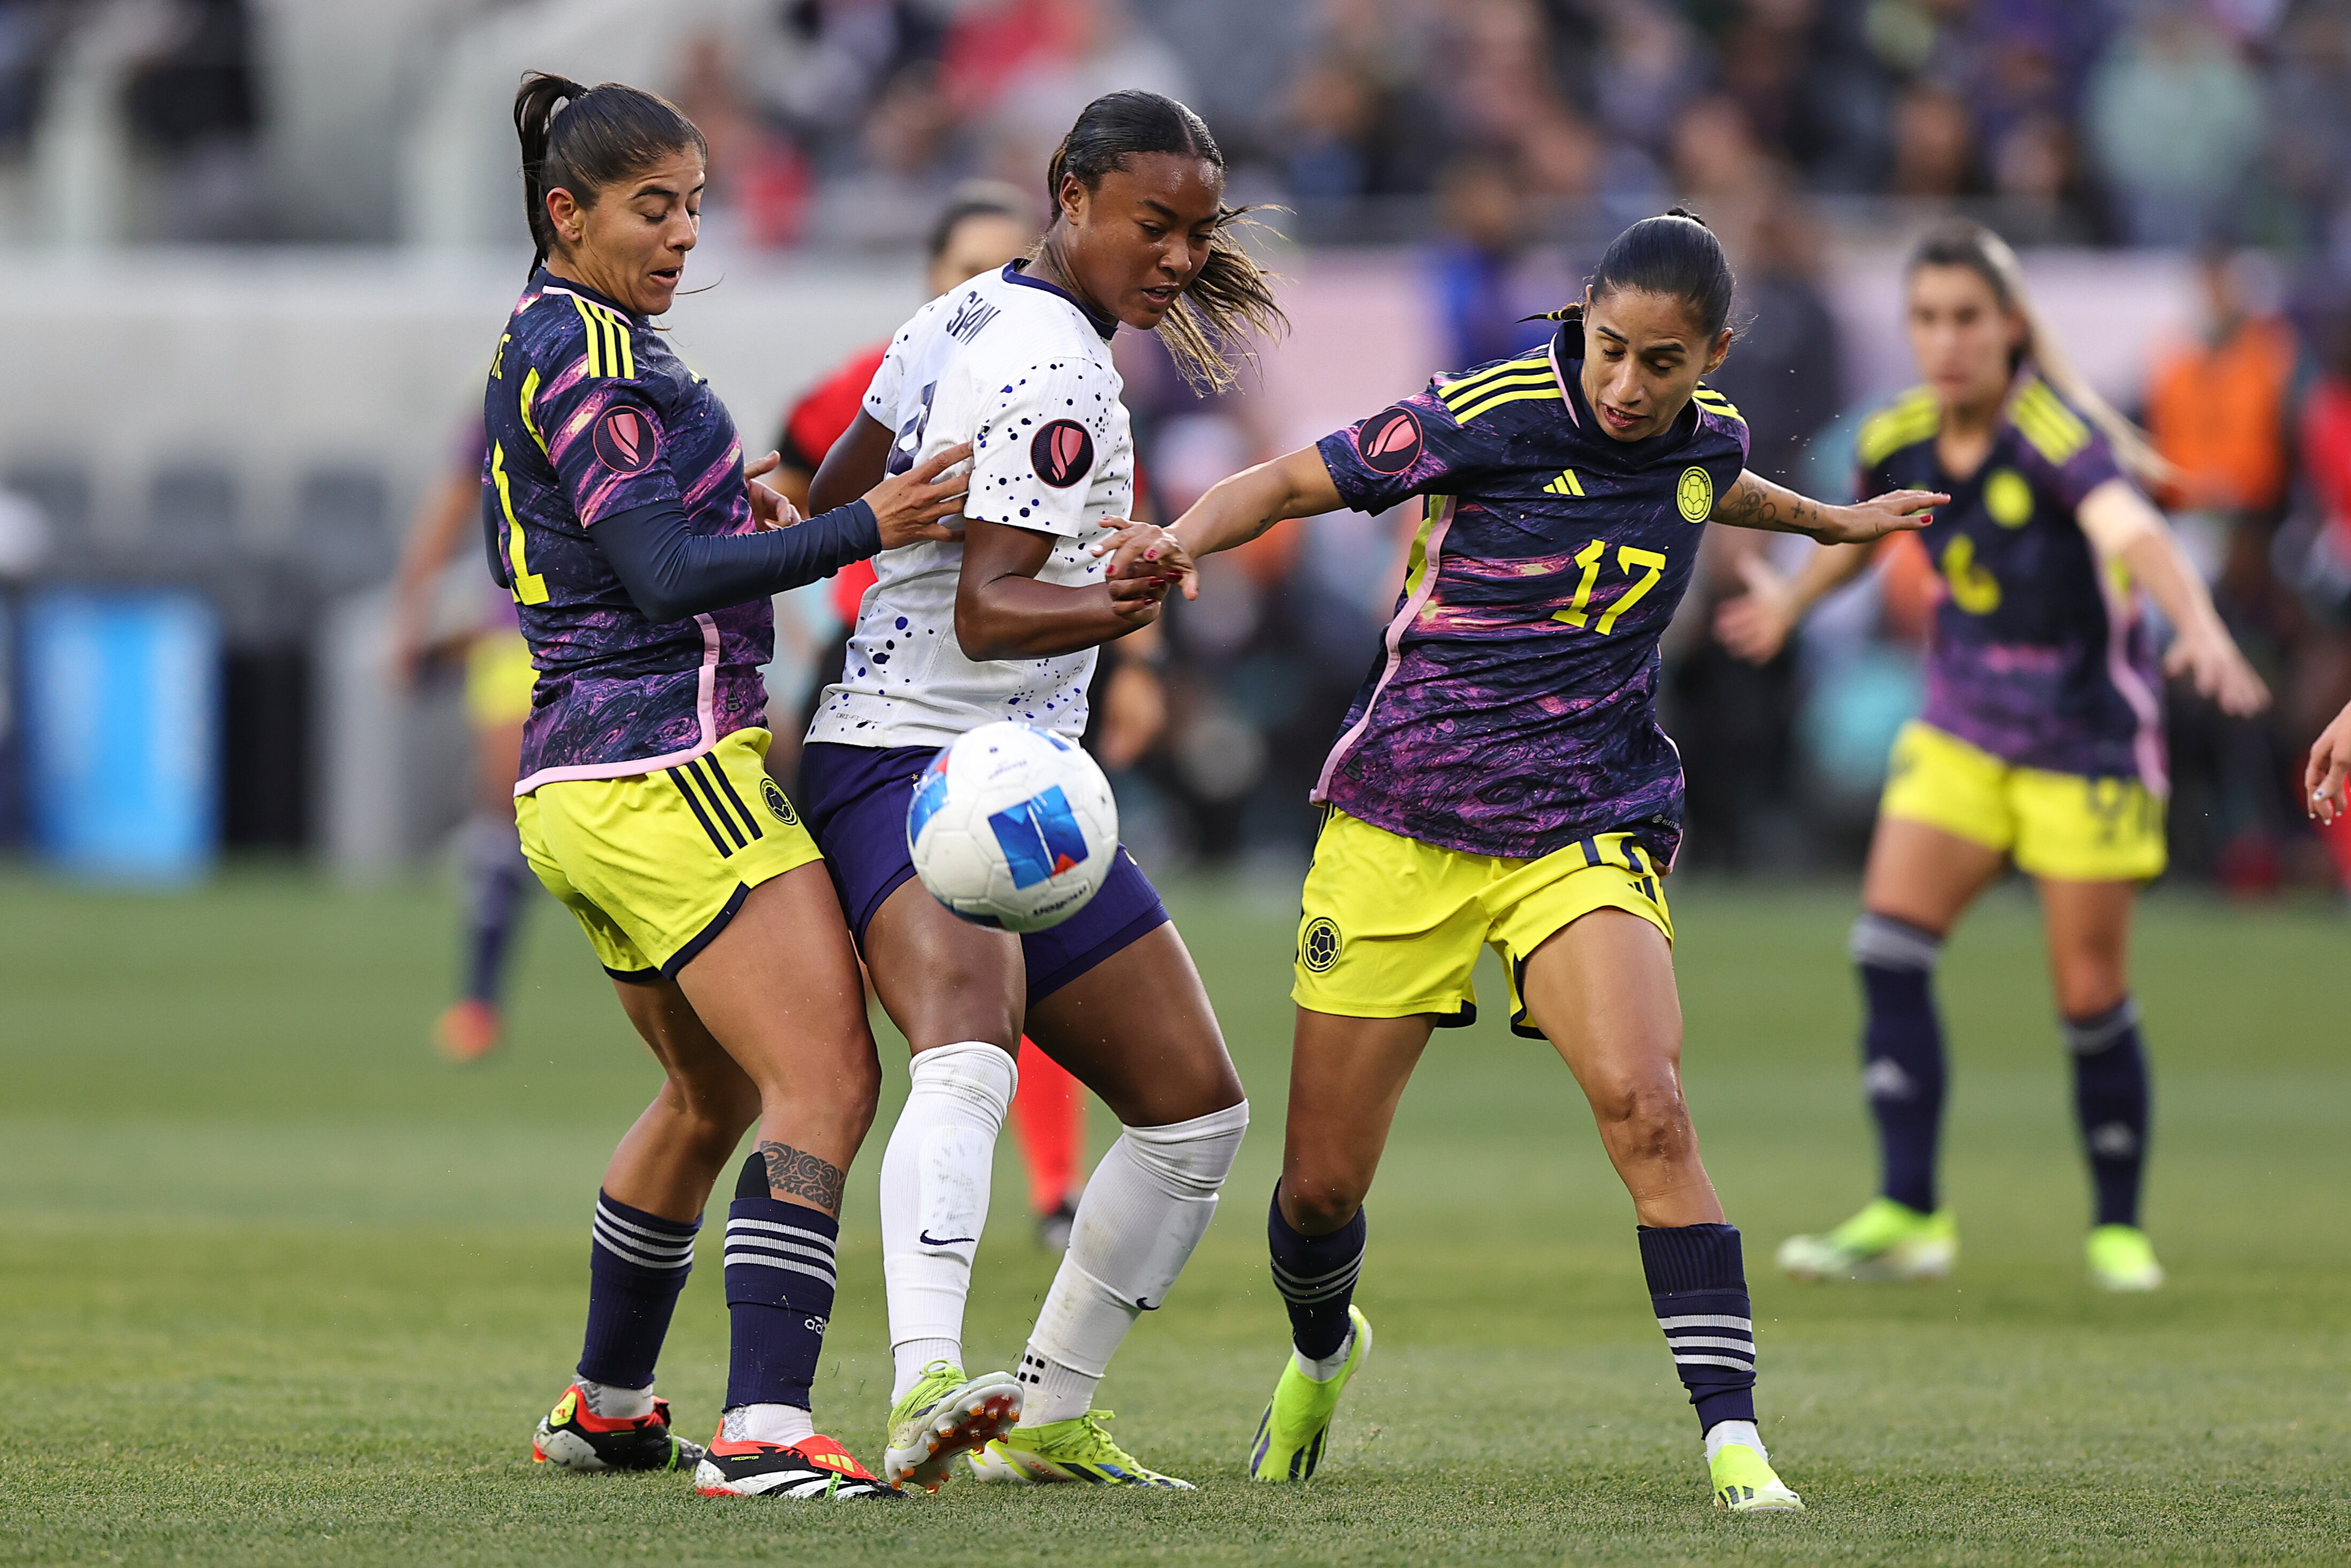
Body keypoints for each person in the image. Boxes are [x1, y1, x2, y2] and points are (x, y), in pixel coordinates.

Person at [1148, 209, 1938, 1512]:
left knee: (1647, 1102)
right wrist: (1181, 540)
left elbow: (1708, 484)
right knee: (1319, 1185)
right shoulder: (1489, 411)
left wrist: (1826, 525)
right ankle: (1317, 1348)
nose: (1625, 386)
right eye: (1609, 350)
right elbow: (1292, 479)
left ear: (1712, 356)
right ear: (1579, 318)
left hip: (1584, 816)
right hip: (1401, 816)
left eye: (1661, 363)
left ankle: (1732, 1439)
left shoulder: (1707, 438)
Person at [490, 72, 970, 1502]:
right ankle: (766, 1424)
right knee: (821, 1075)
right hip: (663, 768)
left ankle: (609, 1404)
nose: (684, 234)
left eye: (694, 205)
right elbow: (658, 575)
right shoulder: (586, 348)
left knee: (706, 1091)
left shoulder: (568, 331)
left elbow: (645, 541)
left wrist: (734, 496)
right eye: (654, 208)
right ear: (565, 214)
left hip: (584, 781)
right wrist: (855, 524)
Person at [798, 88, 1276, 1491]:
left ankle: (1049, 1410)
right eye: (1154, 222)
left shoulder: (957, 312)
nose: (1180, 257)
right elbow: (989, 617)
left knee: (1194, 1109)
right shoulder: (1058, 373)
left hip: (1006, 768)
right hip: (915, 754)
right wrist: (1122, 594)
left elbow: (839, 489)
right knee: (968, 1041)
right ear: (1068, 193)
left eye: (1197, 230)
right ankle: (926, 1384)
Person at [1716, 221, 2269, 1295]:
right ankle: (1909, 1211)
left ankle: (2116, 1228)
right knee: (1886, 947)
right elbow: (1862, 531)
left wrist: (2194, 626)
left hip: (2083, 746)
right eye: (1925, 318)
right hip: (1963, 732)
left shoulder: (2053, 435)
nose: (1945, 340)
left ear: (2010, 328)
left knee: (2087, 993)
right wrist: (1789, 599)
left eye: (1966, 318)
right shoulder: (1904, 433)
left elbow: (2133, 534)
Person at [770, 182, 1116, 1252]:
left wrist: (1141, 662)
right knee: (885, 990)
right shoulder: (889, 367)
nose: (984, 280)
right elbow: (797, 491)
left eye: (1002, 259)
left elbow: (1085, 541)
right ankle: (809, 1135)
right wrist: (812, 556)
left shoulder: (1053, 371)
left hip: (1023, 689)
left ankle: (1053, 1185)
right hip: (879, 677)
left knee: (1023, 930)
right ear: (932, 278)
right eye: (962, 263)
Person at [388, 421, 539, 1062]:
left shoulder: (640, 375)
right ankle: (479, 1002)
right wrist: (410, 618)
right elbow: (448, 508)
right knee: (505, 805)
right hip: (517, 628)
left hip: (619, 630)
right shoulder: (504, 394)